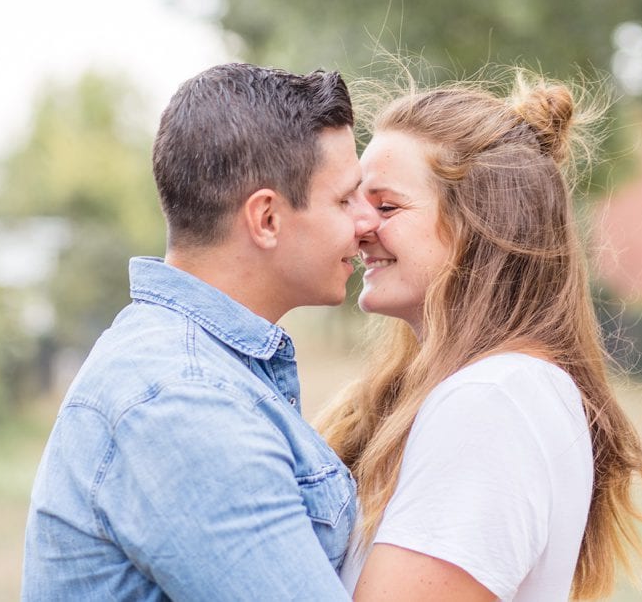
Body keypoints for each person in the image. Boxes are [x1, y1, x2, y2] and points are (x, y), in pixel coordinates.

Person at [22, 63, 378, 600]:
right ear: (266, 219)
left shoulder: (195, 370)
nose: (366, 222)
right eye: (345, 199)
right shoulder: (183, 401)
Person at [318, 71, 642, 601]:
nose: (357, 225)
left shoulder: (494, 401)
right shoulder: (485, 390)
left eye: (386, 206)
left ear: (480, 226)